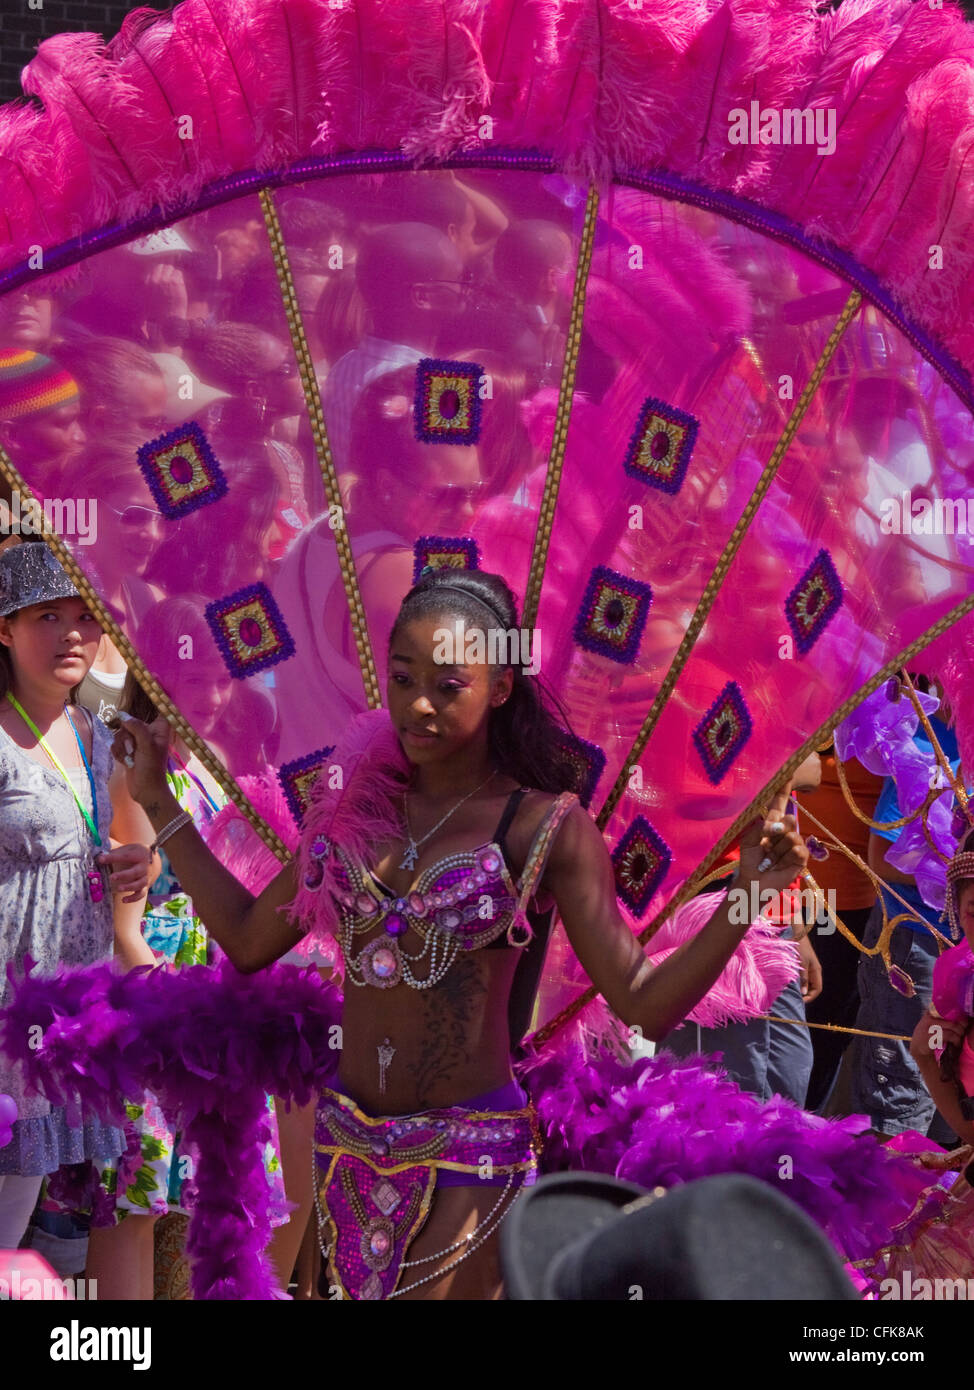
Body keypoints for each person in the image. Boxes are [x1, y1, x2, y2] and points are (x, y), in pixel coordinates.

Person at [113, 566, 809, 1300]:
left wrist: (745, 897)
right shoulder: (358, 809)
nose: (418, 706)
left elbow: (642, 999)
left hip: (469, 1154)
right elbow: (252, 938)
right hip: (345, 1145)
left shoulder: (546, 829)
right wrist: (159, 801)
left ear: (500, 688)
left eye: (448, 687)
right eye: (403, 678)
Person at [0, 542, 153, 1250]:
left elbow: (134, 846)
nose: (71, 635)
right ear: (4, 628)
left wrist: (136, 866)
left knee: (15, 1220)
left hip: (58, 1026)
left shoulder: (102, 736)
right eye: (47, 616)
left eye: (87, 617)